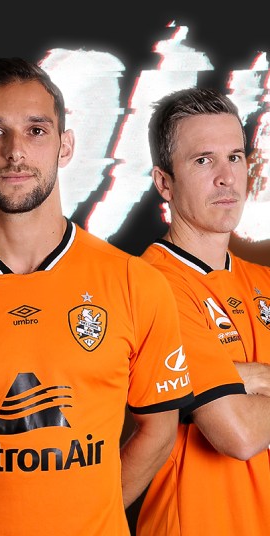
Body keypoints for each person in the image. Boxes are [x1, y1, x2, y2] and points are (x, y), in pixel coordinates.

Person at [0, 57, 194, 535]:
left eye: (36, 131)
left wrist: (94, 516)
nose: (15, 151)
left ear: (64, 145)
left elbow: (159, 429)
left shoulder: (133, 281)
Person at [136, 87, 270, 535]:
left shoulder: (263, 281)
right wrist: (244, 380)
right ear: (165, 183)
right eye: (203, 160)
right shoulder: (150, 284)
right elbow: (239, 433)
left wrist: (236, 378)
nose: (226, 177)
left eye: (235, 157)